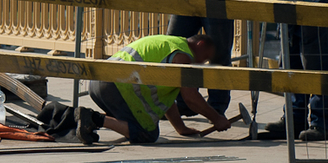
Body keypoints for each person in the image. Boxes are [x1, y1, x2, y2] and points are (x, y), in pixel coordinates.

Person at [208, 0, 328, 141]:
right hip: (291, 5)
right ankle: (294, 119)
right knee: (288, 62)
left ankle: (321, 124)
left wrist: (262, 3)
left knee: (318, 64)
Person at [75, 34, 231, 144]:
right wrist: (217, 118)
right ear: (200, 44)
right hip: (116, 87)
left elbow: (168, 101)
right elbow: (191, 97)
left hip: (97, 84)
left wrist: (180, 128)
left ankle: (88, 123)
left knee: (132, 121)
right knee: (147, 134)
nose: (203, 62)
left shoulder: (170, 43)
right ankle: (94, 118)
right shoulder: (183, 56)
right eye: (205, 57)